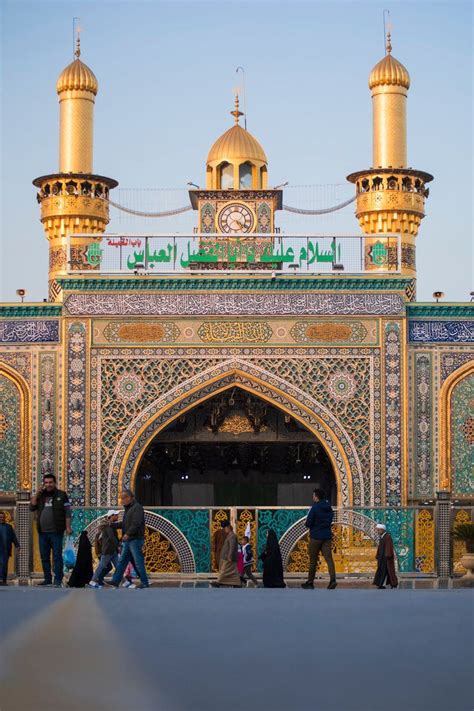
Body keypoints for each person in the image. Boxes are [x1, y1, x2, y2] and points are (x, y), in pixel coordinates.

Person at [30, 473, 72, 587]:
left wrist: (68, 527)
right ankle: (47, 578)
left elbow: (68, 512)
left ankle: (58, 579)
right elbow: (32, 506)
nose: (48, 485)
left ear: (54, 483)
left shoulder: (62, 495)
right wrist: (37, 493)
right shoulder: (41, 496)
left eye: (50, 482)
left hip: (56, 532)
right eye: (46, 483)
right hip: (42, 532)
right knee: (44, 557)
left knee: (57, 556)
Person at [106, 490, 150, 589]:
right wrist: (112, 525)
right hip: (129, 540)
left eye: (124, 497)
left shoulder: (137, 508)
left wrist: (128, 534)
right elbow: (124, 524)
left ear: (131, 497)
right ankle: (116, 581)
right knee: (122, 561)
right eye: (121, 498)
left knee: (138, 562)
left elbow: (136, 523)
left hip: (135, 539)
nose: (122, 500)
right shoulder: (128, 509)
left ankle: (145, 582)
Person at [302, 488, 337, 590]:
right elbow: (330, 519)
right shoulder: (328, 507)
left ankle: (310, 582)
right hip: (326, 536)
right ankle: (333, 580)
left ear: (316, 497)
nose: (312, 497)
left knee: (313, 560)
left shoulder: (315, 508)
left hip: (316, 536)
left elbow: (308, 523)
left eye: (313, 495)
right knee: (329, 559)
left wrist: (309, 524)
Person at [87, 510, 121, 588]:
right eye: (115, 515)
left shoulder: (110, 525)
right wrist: (118, 546)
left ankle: (124, 581)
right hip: (108, 550)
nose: (117, 516)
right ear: (111, 516)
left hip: (112, 550)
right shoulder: (107, 526)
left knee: (119, 567)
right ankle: (93, 580)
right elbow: (111, 538)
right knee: (102, 566)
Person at [211, 522, 241, 587]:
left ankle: (218, 582)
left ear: (228, 528)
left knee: (224, 570)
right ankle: (237, 583)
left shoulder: (232, 536)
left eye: (225, 528)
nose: (225, 530)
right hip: (228, 557)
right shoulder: (230, 536)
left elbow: (232, 547)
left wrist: (229, 556)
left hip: (228, 557)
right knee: (234, 571)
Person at [373, 523, 398, 589]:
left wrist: (387, 556)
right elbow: (380, 548)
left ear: (382, 530)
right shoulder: (383, 537)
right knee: (383, 571)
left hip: (385, 558)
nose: (377, 532)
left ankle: (383, 585)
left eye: (378, 530)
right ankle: (386, 584)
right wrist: (378, 556)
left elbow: (389, 547)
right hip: (382, 557)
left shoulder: (387, 537)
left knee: (385, 571)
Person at [0, 512, 20, 585]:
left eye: (2, 517)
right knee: (2, 564)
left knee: (4, 565)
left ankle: (3, 580)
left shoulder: (9, 527)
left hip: (6, 549)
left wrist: (17, 545)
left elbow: (13, 537)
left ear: (4, 518)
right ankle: (1, 580)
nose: (1, 518)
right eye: (0, 517)